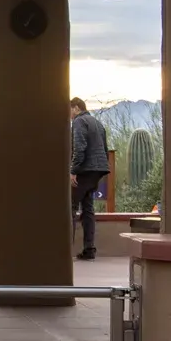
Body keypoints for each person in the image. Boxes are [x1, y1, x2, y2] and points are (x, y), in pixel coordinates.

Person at [69, 97, 110, 261]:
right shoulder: (97, 123)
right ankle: (89, 249)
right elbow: (105, 148)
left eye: (70, 110)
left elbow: (79, 148)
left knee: (70, 207)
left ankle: (65, 250)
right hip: (98, 170)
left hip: (85, 169)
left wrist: (73, 171)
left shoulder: (79, 122)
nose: (69, 115)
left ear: (76, 108)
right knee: (87, 208)